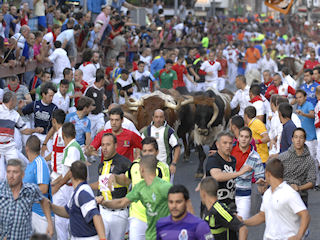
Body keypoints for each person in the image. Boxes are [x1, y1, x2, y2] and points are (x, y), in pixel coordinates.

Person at [96, 155, 172, 240]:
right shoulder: (140, 187)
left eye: (139, 168)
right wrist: (103, 203)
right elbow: (122, 202)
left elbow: (121, 203)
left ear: (142, 169)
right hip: (151, 232)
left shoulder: (165, 188)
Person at [108, 137, 170, 240]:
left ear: (157, 152)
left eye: (150, 151)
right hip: (137, 217)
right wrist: (115, 177)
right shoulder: (135, 165)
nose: (147, 154)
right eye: (144, 151)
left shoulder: (162, 168)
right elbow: (126, 179)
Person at [244, 158, 310, 240]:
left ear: (267, 174)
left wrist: (298, 236)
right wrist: (243, 222)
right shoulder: (267, 193)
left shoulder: (289, 193)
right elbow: (262, 216)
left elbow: (305, 214)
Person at [90, 133, 131, 240]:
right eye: (102, 145)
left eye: (108, 144)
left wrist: (116, 177)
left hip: (119, 213)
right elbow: (101, 185)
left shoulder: (125, 163)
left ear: (116, 145)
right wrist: (86, 187)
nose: (104, 148)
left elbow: (127, 180)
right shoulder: (101, 165)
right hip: (103, 212)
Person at [50, 161, 106, 239]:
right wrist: (50, 206)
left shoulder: (82, 193)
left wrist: (103, 238)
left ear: (71, 175)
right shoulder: (78, 191)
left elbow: (96, 215)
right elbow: (67, 212)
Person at [0, 159, 54, 239]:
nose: (11, 176)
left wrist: (49, 223)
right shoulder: (1, 190)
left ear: (22, 175)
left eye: (15, 172)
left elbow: (44, 201)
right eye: (8, 172)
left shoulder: (30, 190)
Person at [204, 131, 251, 212]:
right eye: (224, 143)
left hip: (231, 205)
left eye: (230, 143)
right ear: (217, 144)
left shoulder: (233, 160)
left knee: (237, 223)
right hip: (215, 207)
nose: (228, 146)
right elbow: (217, 176)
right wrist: (239, 173)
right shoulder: (213, 159)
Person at [0, 92, 43, 180]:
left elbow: (24, 130)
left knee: (16, 169)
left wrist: (35, 130)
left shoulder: (15, 115)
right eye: (15, 100)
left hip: (9, 146)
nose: (17, 102)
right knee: (1, 176)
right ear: (11, 101)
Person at [231, 127, 265, 220]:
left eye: (246, 137)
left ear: (250, 140)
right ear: (238, 138)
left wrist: (261, 181)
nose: (243, 139)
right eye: (241, 136)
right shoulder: (230, 150)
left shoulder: (255, 156)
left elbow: (260, 175)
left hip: (244, 194)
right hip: (228, 193)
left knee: (242, 222)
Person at [278, 128, 317, 206]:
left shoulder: (310, 160)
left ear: (305, 140)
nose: (298, 140)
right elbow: (275, 175)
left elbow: (311, 182)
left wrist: (298, 188)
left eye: (301, 137)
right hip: (282, 196)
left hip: (300, 198)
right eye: (296, 137)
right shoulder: (282, 157)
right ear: (292, 139)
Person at [23, 135, 53, 234]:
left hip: (41, 215)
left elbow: (44, 188)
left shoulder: (39, 163)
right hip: (31, 213)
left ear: (26, 149)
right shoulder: (30, 165)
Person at [142, 109, 180, 177]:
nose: (158, 119)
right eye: (156, 117)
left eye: (161, 117)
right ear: (153, 118)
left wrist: (173, 164)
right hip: (150, 168)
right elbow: (140, 146)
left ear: (164, 118)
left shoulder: (169, 131)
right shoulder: (147, 131)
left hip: (166, 167)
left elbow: (177, 147)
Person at [20, 82, 58, 149]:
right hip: (36, 134)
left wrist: (53, 134)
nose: (52, 98)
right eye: (50, 96)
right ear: (43, 94)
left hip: (48, 136)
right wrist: (19, 108)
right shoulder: (35, 104)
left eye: (53, 96)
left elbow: (57, 125)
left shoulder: (54, 108)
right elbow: (22, 113)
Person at [295, 89, 317, 160]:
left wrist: (303, 114)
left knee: (312, 160)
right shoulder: (299, 107)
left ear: (305, 97)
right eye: (297, 98)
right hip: (303, 138)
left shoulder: (309, 104)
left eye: (300, 97)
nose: (298, 100)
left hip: (311, 138)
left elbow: (313, 115)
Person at [85, 68, 106, 138]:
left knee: (101, 130)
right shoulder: (90, 90)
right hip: (91, 116)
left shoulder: (102, 89)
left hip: (100, 115)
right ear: (101, 80)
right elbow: (84, 101)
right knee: (91, 135)